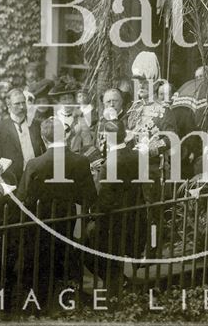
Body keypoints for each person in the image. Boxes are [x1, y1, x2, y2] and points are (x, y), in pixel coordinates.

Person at [17, 117, 97, 296]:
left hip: (41, 223)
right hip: (70, 220)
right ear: (65, 136)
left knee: (45, 262)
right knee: (65, 256)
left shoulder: (34, 164)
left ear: (44, 140)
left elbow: (23, 198)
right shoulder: (81, 161)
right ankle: (69, 292)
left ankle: (45, 296)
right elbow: (90, 197)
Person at [88, 119, 146, 294]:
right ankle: (120, 281)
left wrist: (92, 214)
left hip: (112, 222)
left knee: (83, 243)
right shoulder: (138, 156)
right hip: (133, 216)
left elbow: (105, 201)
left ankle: (116, 282)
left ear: (106, 137)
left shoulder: (109, 164)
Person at [126, 51, 177, 203]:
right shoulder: (133, 108)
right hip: (131, 168)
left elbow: (171, 138)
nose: (140, 85)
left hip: (152, 170)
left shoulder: (164, 110)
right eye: (138, 81)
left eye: (144, 81)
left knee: (151, 213)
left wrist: (150, 149)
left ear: (154, 83)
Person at [0, 89, 44, 186]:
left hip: (36, 176)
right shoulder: (0, 128)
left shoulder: (36, 125)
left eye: (23, 103)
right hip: (13, 179)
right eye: (17, 104)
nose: (22, 107)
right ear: (9, 106)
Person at [49, 81, 94, 156]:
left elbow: (87, 142)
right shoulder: (54, 118)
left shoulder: (81, 118)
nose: (68, 102)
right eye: (64, 99)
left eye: (70, 98)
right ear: (59, 101)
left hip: (75, 157)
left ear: (74, 100)